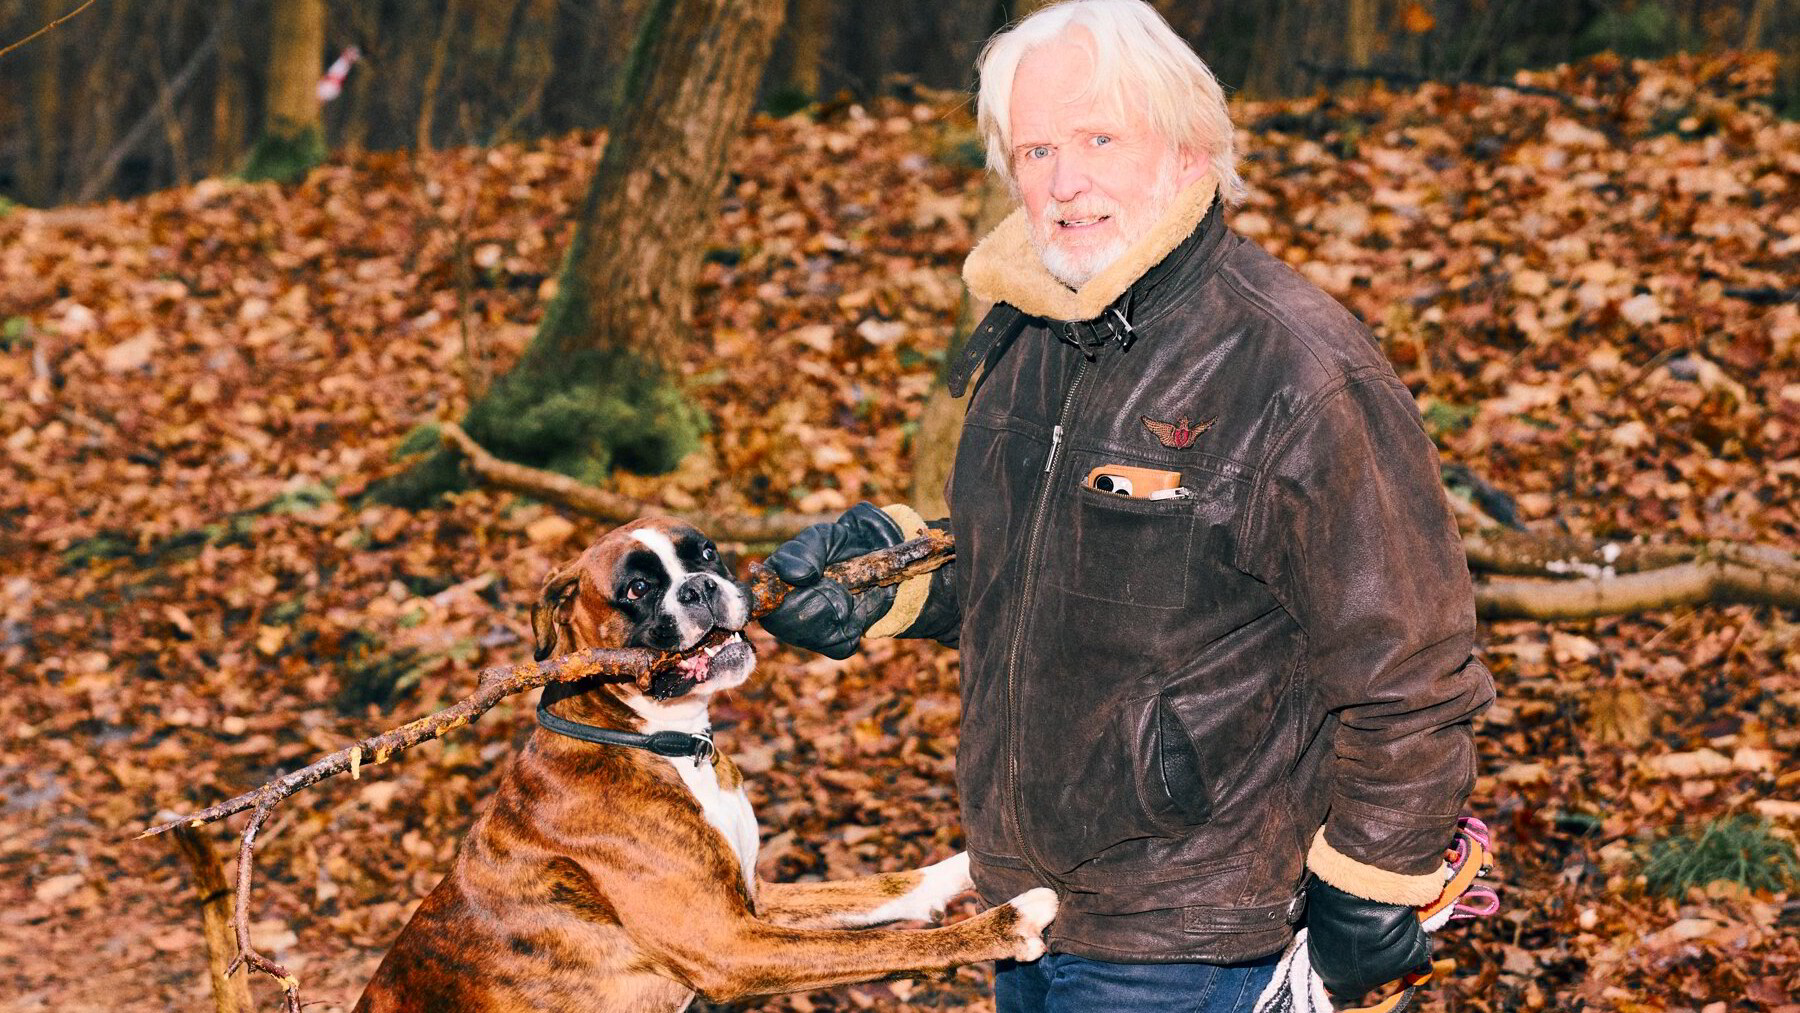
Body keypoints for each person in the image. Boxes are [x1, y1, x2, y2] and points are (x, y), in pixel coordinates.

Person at [760, 2, 1495, 1010]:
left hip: (1191, 931)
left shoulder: (1296, 368)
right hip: (1021, 903)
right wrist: (885, 576)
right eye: (1036, 148)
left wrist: (1371, 879)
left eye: (1100, 137)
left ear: (1194, 147)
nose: (1064, 181)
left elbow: (1412, 668)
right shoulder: (1030, 338)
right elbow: (1032, 567)